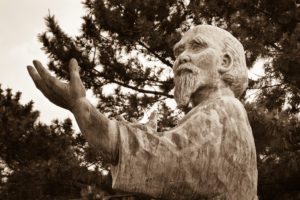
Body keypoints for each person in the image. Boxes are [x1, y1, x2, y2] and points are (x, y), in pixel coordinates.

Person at [27, 25, 258, 200]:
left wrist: (82, 107)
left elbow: (166, 160)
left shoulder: (225, 110)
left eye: (197, 46)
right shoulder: (211, 113)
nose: (181, 58)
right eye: (179, 51)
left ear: (225, 62)